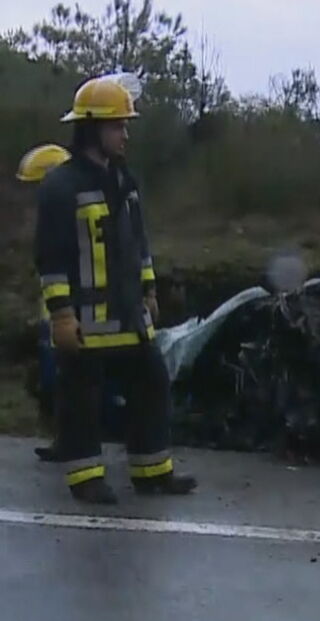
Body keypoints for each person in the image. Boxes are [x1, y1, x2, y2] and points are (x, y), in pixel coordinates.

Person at [35, 76, 197, 504]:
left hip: (129, 316)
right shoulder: (61, 187)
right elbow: (50, 259)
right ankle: (86, 477)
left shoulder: (126, 181)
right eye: (117, 126)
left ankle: (152, 471)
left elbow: (139, 244)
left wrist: (149, 290)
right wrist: (62, 315)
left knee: (152, 384)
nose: (125, 135)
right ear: (92, 130)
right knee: (81, 400)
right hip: (86, 322)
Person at [18, 144, 72, 462]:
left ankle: (75, 441)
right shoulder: (49, 219)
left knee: (69, 382)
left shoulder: (66, 220)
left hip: (66, 316)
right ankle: (64, 438)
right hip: (51, 317)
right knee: (55, 383)